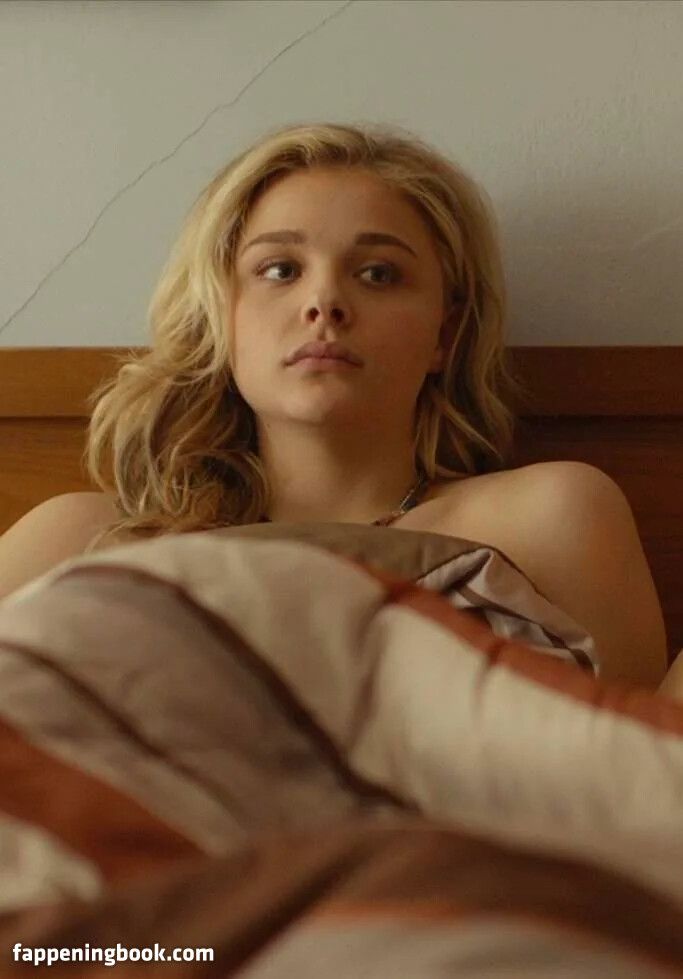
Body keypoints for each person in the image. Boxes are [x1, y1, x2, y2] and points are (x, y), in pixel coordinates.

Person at [0, 121, 677, 696]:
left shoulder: (549, 518)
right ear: (219, 315)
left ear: (444, 334)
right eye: (280, 269)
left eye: (378, 273)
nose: (324, 302)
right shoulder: (81, 541)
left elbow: (634, 770)